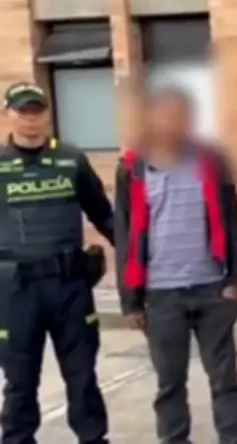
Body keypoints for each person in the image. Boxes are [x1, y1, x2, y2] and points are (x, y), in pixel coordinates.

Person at [114, 88, 237, 444]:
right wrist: (131, 300)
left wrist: (234, 279)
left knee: (225, 381)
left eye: (182, 115)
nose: (175, 123)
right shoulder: (133, 168)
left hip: (212, 288)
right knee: (170, 384)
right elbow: (125, 234)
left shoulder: (213, 161)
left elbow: (231, 220)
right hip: (161, 295)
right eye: (167, 115)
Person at [0, 82, 114, 443]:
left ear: (48, 115)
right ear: (8, 115)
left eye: (38, 111)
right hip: (16, 291)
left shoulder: (71, 160)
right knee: (20, 380)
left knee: (82, 376)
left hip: (69, 286)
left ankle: (93, 438)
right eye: (23, 112)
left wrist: (139, 261)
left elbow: (104, 216)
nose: (31, 120)